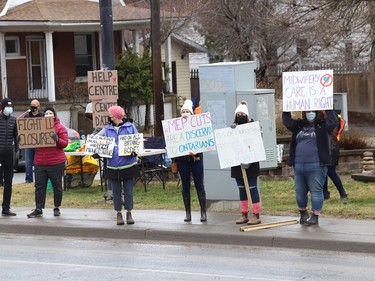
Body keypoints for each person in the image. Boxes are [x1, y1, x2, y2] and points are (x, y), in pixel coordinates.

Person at [282, 110, 338, 226]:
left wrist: (327, 106)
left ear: (317, 113)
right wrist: (287, 109)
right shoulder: (299, 125)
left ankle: (315, 216)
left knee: (316, 191)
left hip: (316, 165)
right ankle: (303, 213)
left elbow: (333, 121)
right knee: (300, 192)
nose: (310, 113)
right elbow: (287, 122)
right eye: (307, 111)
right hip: (299, 165)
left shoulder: (323, 125)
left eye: (312, 111)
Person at [97, 105, 140, 225]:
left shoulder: (130, 127)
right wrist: (97, 151)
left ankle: (129, 213)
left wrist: (135, 151)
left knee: (128, 191)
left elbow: (137, 141)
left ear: (116, 116)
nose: (109, 116)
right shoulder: (107, 129)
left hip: (128, 164)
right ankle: (118, 214)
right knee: (115, 192)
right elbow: (96, 139)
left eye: (110, 114)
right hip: (112, 165)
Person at [27, 107, 68, 218]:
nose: (48, 115)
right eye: (46, 113)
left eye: (50, 113)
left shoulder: (60, 128)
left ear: (54, 115)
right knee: (39, 186)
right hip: (40, 162)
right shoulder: (38, 127)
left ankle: (56, 207)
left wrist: (57, 140)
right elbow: (30, 140)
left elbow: (65, 144)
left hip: (55, 162)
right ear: (43, 115)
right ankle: (38, 208)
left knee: (57, 186)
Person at [230, 100, 262, 225]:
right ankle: (244, 214)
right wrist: (231, 132)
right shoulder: (233, 129)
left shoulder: (254, 128)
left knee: (252, 188)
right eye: (238, 115)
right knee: (241, 189)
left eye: (242, 114)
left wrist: (249, 160)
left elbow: (257, 144)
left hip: (251, 164)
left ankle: (256, 214)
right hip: (237, 164)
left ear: (247, 116)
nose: (240, 117)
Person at [175, 99, 207, 222]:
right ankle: (187, 213)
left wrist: (197, 152)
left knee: (199, 185)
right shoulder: (176, 127)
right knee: (185, 186)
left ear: (192, 113)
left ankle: (203, 212)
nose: (185, 113)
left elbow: (204, 141)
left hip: (196, 159)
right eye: (183, 111)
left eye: (187, 111)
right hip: (183, 160)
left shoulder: (198, 125)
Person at [323, 110, 348, 201]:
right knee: (324, 172)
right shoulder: (330, 115)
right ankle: (325, 193)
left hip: (331, 148)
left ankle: (342, 193)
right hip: (328, 147)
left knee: (330, 171)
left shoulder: (331, 116)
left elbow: (329, 130)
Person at [0, 98, 18, 216]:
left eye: (11, 106)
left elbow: (16, 137)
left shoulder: (13, 120)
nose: (9, 108)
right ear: (3, 107)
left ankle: (6, 207)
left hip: (8, 155)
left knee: (8, 182)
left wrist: (17, 149)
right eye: (8, 106)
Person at [21, 99, 44, 183]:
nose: (32, 106)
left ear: (38, 106)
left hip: (40, 143)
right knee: (28, 161)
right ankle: (28, 179)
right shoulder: (26, 116)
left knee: (39, 162)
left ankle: (40, 179)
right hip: (29, 143)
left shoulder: (42, 116)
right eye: (31, 105)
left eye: (34, 105)